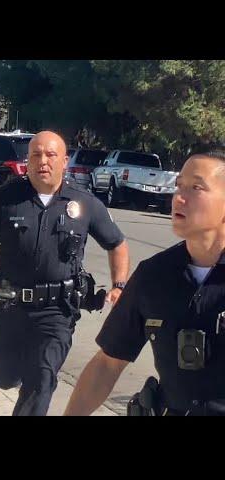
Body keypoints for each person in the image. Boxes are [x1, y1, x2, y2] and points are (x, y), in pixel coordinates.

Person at [0, 130, 129, 416]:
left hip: (58, 311)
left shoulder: (85, 203)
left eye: (51, 155)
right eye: (35, 155)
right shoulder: (6, 198)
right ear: (26, 161)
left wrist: (119, 285)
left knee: (41, 378)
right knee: (3, 376)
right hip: (11, 304)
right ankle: (9, 370)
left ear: (64, 161)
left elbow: (117, 244)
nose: (43, 161)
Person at [64, 144, 225, 416]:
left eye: (196, 188)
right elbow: (108, 363)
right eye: (179, 186)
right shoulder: (153, 275)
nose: (179, 197)